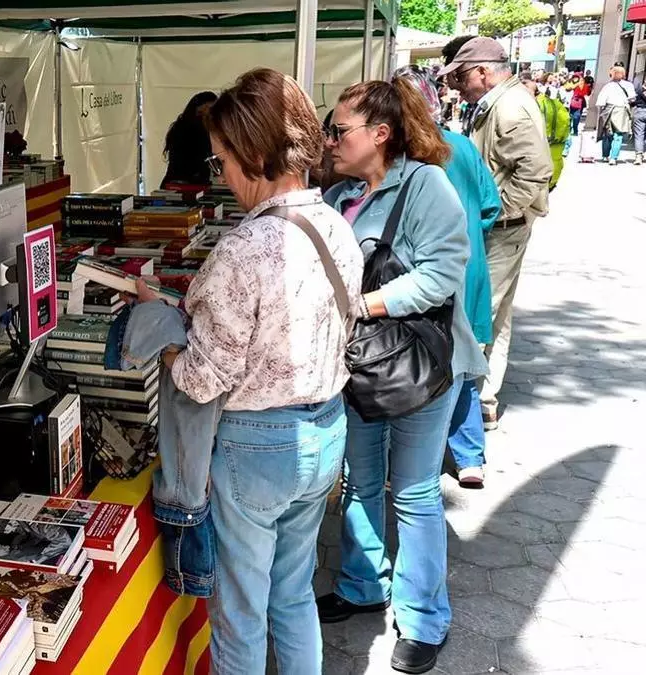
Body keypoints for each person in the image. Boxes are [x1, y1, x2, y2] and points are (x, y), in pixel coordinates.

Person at [145, 68, 363, 674]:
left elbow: (204, 378)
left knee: (239, 614)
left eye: (222, 161)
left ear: (254, 154)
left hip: (257, 448)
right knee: (293, 595)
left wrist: (168, 348)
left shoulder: (244, 248)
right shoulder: (335, 225)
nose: (221, 175)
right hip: (325, 430)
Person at [318, 77, 486, 674]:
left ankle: (422, 619)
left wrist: (362, 305)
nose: (330, 140)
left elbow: (441, 274)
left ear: (381, 134)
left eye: (340, 130)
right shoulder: (339, 196)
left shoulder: (425, 184)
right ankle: (363, 585)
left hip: (419, 365)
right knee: (361, 482)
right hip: (362, 366)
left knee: (413, 492)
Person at [394, 65, 502, 488]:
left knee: (437, 360)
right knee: (464, 361)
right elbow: (491, 205)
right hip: (468, 267)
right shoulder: (461, 145)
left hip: (425, 274)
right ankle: (470, 457)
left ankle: (420, 458)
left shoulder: (408, 157)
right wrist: (469, 231)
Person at [440, 37, 552, 431]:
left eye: (461, 77)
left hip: (502, 230)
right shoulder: (500, 103)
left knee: (479, 315)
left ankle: (465, 411)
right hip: (503, 227)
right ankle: (483, 402)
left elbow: (535, 172)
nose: (457, 86)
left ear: (483, 72)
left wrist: (492, 214)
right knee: (496, 315)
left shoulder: (510, 107)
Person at [160, 91, 217, 187]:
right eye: (208, 108)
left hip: (186, 181)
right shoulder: (187, 127)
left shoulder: (184, 125)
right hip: (182, 182)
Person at [527, 74, 570, 189]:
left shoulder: (534, 105)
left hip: (538, 152)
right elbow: (566, 123)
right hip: (557, 146)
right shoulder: (556, 103)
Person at [597, 66, 636, 165]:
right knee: (618, 135)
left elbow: (600, 101)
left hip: (609, 110)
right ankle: (613, 158)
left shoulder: (608, 86)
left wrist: (600, 113)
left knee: (607, 134)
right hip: (622, 110)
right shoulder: (628, 85)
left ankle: (605, 155)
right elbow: (632, 98)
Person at [564, 72, 589, 156]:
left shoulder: (582, 84)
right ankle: (570, 129)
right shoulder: (569, 83)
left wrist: (579, 87)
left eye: (577, 77)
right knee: (569, 119)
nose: (575, 79)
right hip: (569, 104)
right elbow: (566, 88)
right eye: (574, 77)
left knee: (576, 117)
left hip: (579, 103)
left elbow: (584, 92)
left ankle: (575, 128)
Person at [631, 75, 646, 164]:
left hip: (640, 112)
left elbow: (633, 101)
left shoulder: (638, 89)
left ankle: (638, 156)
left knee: (639, 135)